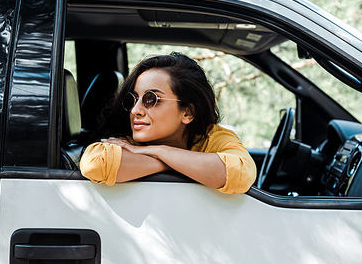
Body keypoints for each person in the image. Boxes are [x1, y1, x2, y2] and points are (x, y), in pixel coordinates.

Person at [80, 52, 256, 194]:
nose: (135, 110)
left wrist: (157, 151)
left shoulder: (214, 137)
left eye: (151, 99)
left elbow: (242, 173)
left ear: (188, 112)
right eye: (133, 99)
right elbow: (95, 163)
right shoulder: (126, 143)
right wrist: (171, 161)